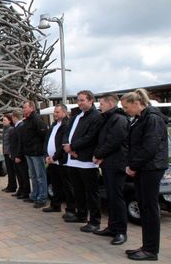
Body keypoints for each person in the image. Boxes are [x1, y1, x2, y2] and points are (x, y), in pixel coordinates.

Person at [121, 89, 168, 261]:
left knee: (149, 208)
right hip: (144, 167)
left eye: (127, 107)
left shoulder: (152, 118)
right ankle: (146, 246)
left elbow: (150, 147)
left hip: (151, 168)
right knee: (145, 208)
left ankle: (151, 249)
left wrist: (133, 165)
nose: (126, 111)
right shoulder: (142, 118)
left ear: (136, 103)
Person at [62, 90, 103, 232]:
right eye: (78, 100)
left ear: (91, 100)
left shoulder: (96, 117)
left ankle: (95, 221)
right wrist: (67, 146)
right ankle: (81, 214)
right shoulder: (76, 116)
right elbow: (66, 132)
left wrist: (72, 147)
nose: (79, 103)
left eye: (82, 100)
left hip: (86, 160)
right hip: (72, 159)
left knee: (91, 192)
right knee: (78, 190)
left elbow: (91, 137)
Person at [92, 94, 129, 245]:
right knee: (111, 197)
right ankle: (112, 227)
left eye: (101, 103)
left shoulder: (119, 119)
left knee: (117, 198)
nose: (99, 106)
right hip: (108, 163)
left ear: (110, 103)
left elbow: (114, 141)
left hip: (116, 163)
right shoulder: (107, 118)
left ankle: (121, 231)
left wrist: (99, 154)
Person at [43, 104, 71, 214]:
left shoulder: (67, 125)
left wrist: (54, 157)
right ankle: (55, 205)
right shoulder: (54, 125)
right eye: (54, 112)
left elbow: (63, 144)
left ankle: (71, 209)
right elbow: (47, 141)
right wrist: (46, 155)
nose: (55, 114)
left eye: (57, 112)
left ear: (64, 112)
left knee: (67, 186)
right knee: (55, 185)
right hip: (52, 161)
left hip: (62, 160)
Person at [21, 100, 49, 208]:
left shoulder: (37, 120)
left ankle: (42, 198)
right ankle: (34, 195)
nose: (23, 109)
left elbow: (44, 134)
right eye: (23, 107)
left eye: (25, 107)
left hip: (36, 152)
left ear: (32, 108)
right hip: (29, 152)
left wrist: (39, 147)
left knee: (40, 176)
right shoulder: (27, 120)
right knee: (33, 175)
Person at [10, 109, 31, 200]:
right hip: (15, 154)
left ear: (15, 117)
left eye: (12, 117)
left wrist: (18, 155)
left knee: (23, 174)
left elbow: (20, 142)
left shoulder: (21, 126)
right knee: (18, 174)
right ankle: (21, 189)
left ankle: (25, 191)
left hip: (20, 155)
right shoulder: (17, 126)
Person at [1, 114, 17, 193]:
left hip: (9, 153)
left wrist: (11, 153)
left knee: (11, 171)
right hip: (5, 152)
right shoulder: (5, 129)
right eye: (3, 120)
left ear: (9, 121)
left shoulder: (11, 129)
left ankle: (13, 186)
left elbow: (12, 142)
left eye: (5, 120)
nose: (3, 122)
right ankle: (9, 185)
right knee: (9, 170)